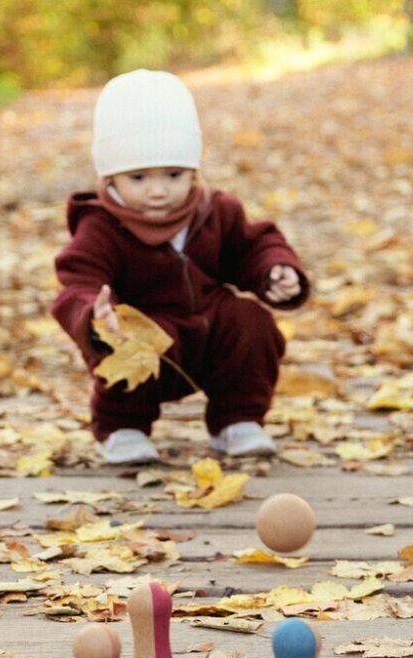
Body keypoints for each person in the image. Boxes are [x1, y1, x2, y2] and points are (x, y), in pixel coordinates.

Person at [51, 68, 310, 465]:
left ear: (193, 171)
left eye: (174, 175)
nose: (158, 190)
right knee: (127, 338)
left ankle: (237, 420)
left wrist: (274, 270)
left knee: (249, 320)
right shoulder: (101, 227)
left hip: (209, 333)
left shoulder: (215, 211)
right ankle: (123, 427)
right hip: (148, 335)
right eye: (138, 177)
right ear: (111, 175)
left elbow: (253, 245)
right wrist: (93, 313)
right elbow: (77, 280)